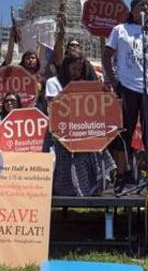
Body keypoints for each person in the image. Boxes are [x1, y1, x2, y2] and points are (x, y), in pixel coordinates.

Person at [102, 0, 148, 185]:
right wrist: (114, 81)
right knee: (125, 131)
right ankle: (123, 174)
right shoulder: (120, 30)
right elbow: (107, 55)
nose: (146, 7)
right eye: (142, 4)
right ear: (132, 9)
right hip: (128, 86)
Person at [45, 52, 116, 196]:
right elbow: (53, 107)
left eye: (79, 69)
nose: (77, 72)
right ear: (66, 67)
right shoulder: (53, 82)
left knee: (97, 146)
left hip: (82, 131)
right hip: (62, 132)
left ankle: (94, 185)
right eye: (74, 69)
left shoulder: (84, 84)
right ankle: (74, 189)